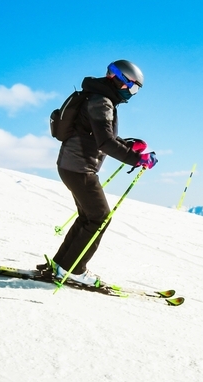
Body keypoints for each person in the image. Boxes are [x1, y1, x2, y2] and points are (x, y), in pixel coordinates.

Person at [39, 60, 157, 286]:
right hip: (79, 168)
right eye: (132, 88)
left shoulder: (98, 97)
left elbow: (98, 135)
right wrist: (137, 159)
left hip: (73, 166)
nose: (132, 94)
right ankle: (74, 270)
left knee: (89, 217)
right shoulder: (101, 102)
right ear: (121, 81)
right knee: (100, 218)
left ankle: (62, 265)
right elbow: (104, 142)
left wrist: (129, 144)